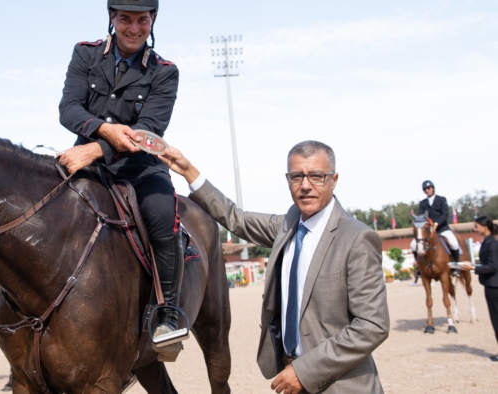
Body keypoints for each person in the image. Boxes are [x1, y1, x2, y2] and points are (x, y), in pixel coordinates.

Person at [160, 140, 390, 393]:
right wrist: (189, 171)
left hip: (342, 386)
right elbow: (235, 218)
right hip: (292, 380)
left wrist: (304, 372)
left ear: (333, 180)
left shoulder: (357, 238)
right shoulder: (288, 226)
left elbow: (372, 326)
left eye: (316, 176)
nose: (305, 185)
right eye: (296, 176)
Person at [57, 0, 186, 360]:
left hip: (141, 167)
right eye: (125, 19)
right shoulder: (85, 54)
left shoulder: (165, 72)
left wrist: (96, 149)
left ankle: (167, 315)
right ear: (112, 17)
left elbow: (149, 131)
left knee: (162, 213)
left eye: (142, 20)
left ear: (152, 20)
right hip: (85, 163)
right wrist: (103, 132)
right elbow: (69, 108)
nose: (134, 28)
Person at [460, 216, 498, 361]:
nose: (474, 229)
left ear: (485, 227)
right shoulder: (488, 241)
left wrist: (473, 268)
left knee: (496, 318)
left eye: (477, 226)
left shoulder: (491, 243)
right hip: (491, 284)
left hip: (494, 285)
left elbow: (493, 266)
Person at [411, 180, 462, 272]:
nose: (427, 190)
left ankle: (456, 265)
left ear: (433, 188)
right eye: (425, 189)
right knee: (413, 245)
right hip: (428, 231)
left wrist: (437, 223)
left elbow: (445, 214)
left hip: (442, 228)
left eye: (428, 188)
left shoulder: (442, 199)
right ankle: (419, 266)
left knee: (453, 242)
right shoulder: (423, 203)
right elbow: (421, 216)